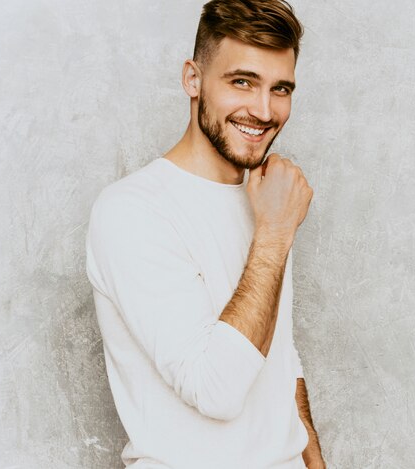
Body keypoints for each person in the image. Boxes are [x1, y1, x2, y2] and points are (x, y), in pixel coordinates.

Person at [85, 0, 325, 467]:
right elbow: (215, 389)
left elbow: (280, 361)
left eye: (280, 89)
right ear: (192, 79)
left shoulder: (264, 196)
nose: (263, 110)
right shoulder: (132, 210)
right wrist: (275, 233)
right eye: (242, 82)